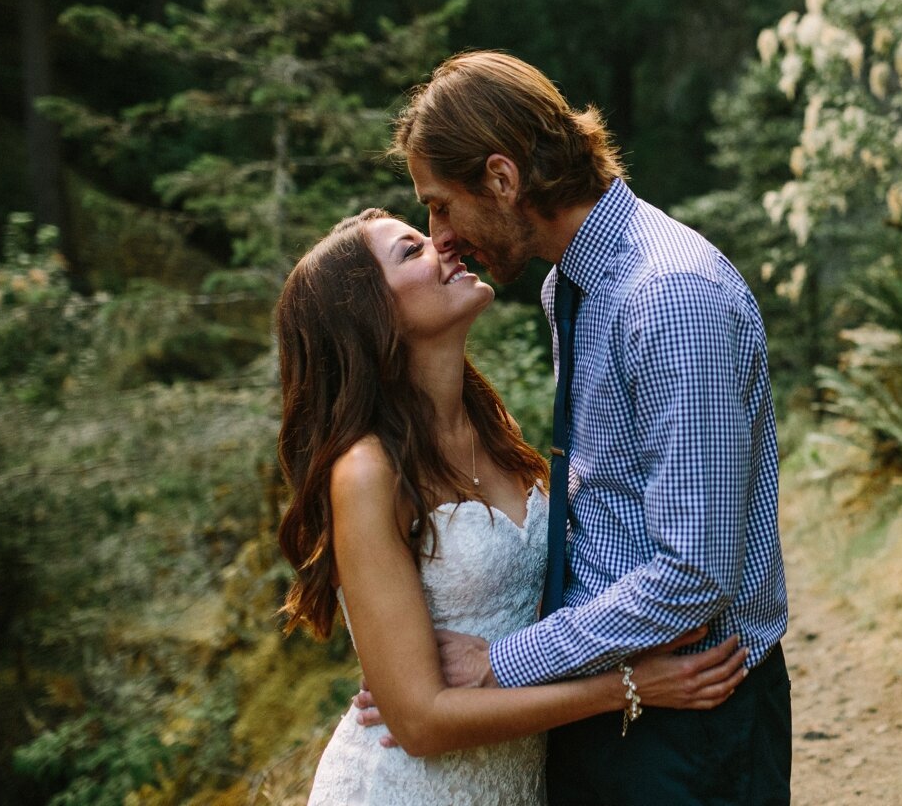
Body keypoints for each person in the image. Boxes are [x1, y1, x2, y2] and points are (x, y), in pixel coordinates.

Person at [364, 50, 791, 804]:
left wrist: (501, 663)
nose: (442, 237)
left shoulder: (669, 300)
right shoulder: (574, 285)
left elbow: (694, 573)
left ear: (502, 178)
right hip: (613, 694)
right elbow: (602, 513)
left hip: (693, 719)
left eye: (440, 204)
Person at [274, 208, 750, 806]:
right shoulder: (369, 471)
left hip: (515, 783)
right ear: (369, 316)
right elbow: (419, 724)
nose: (445, 244)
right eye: (411, 251)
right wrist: (626, 686)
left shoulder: (489, 428)